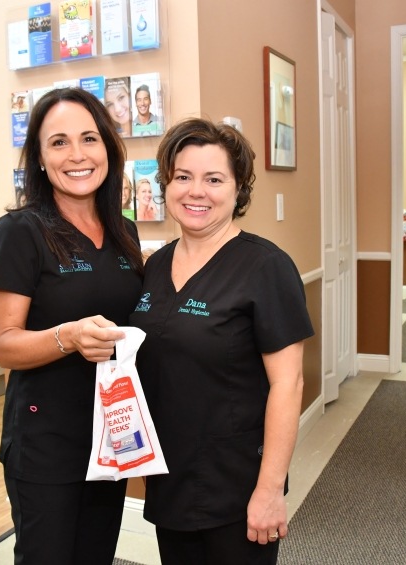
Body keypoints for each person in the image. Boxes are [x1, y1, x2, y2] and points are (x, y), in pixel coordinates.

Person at [129, 118, 314, 565]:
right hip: (170, 477)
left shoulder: (266, 267)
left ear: (237, 190)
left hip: (237, 483)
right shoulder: (155, 266)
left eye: (214, 179)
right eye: (183, 177)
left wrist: (269, 490)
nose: (197, 191)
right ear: (166, 185)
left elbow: (288, 385)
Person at [0, 87, 144, 564]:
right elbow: (3, 344)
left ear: (108, 149)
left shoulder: (124, 231)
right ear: (38, 157)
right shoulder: (20, 233)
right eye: (58, 142)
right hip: (46, 442)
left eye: (89, 139)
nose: (77, 155)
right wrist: (68, 337)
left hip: (110, 434)